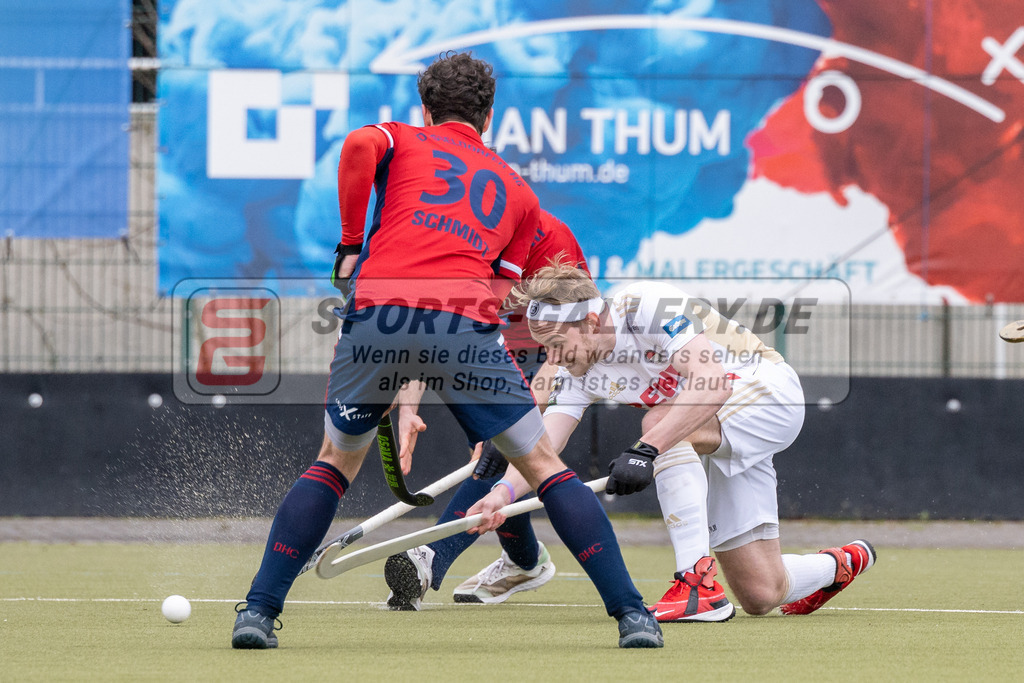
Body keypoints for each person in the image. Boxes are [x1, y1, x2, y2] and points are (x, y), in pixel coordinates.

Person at [231, 51, 663, 650]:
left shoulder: (399, 138)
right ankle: (632, 616)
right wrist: (479, 397)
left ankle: (257, 611)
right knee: (541, 465)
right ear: (488, 116)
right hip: (462, 324)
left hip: (378, 316)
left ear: (426, 108)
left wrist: (352, 246)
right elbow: (489, 291)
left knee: (335, 461)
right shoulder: (518, 192)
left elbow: (357, 146)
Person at [460, 263, 877, 621]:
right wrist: (501, 495)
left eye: (555, 343)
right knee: (760, 592)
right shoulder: (579, 368)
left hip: (766, 392)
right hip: (715, 427)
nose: (552, 358)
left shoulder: (644, 304)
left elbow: (711, 383)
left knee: (660, 421)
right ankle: (839, 565)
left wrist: (648, 449)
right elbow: (546, 445)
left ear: (589, 323)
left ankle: (697, 585)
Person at [383, 209, 588, 610]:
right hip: (486, 352)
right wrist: (408, 409)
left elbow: (561, 348)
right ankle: (525, 561)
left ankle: (429, 558)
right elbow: (429, 333)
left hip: (550, 354)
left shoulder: (549, 240)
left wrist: (519, 420)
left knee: (503, 456)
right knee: (497, 462)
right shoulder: (448, 242)